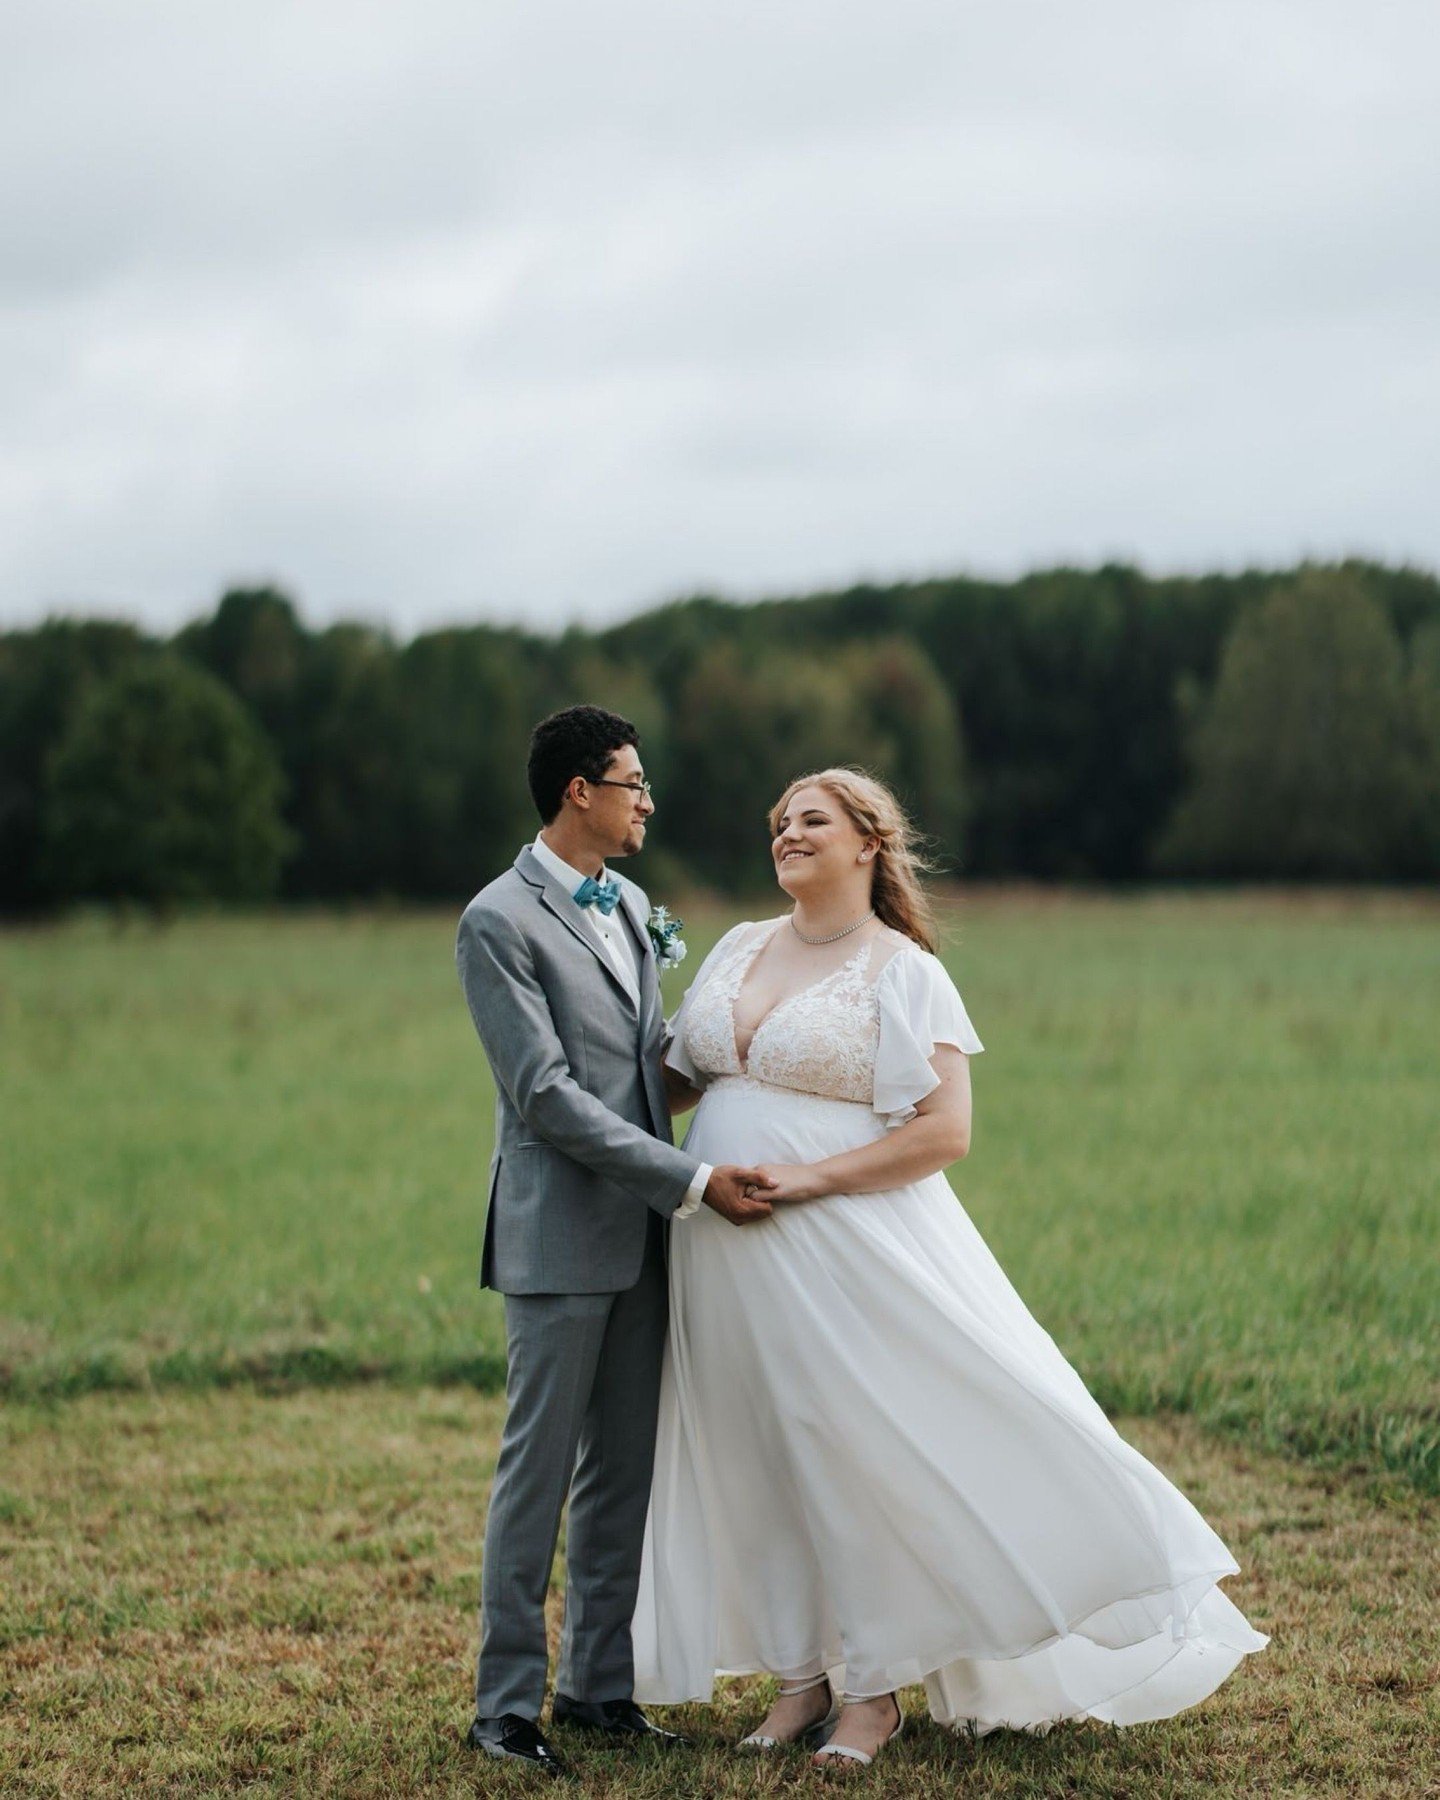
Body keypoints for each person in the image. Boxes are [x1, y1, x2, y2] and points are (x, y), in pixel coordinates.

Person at [632, 766, 1267, 1770]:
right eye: (778, 823)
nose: (787, 834)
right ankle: (800, 1682)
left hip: (842, 1250)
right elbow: (662, 1084)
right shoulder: (735, 947)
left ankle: (873, 1694)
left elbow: (946, 1131)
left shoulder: (904, 969)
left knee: (847, 1454)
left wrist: (809, 1179)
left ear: (869, 843)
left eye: (812, 820)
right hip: (718, 1250)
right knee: (752, 1451)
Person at [455, 705, 773, 1776]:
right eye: (632, 783)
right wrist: (688, 1178)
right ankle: (503, 1707)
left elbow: (648, 1067)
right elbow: (544, 1095)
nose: (648, 800)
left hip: (647, 1234)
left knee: (621, 1477)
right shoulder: (495, 922)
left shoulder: (631, 903)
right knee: (535, 1478)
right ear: (577, 792)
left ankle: (596, 1688)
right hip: (558, 1238)